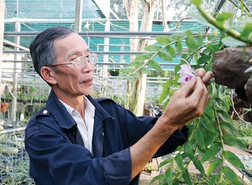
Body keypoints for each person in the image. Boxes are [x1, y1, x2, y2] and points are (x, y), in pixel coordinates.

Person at [25, 26, 213, 185]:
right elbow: (91, 177)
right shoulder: (41, 132)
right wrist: (169, 122)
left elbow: (157, 135)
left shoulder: (109, 112)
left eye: (88, 57)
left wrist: (186, 99)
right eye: (76, 59)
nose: (90, 67)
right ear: (49, 74)